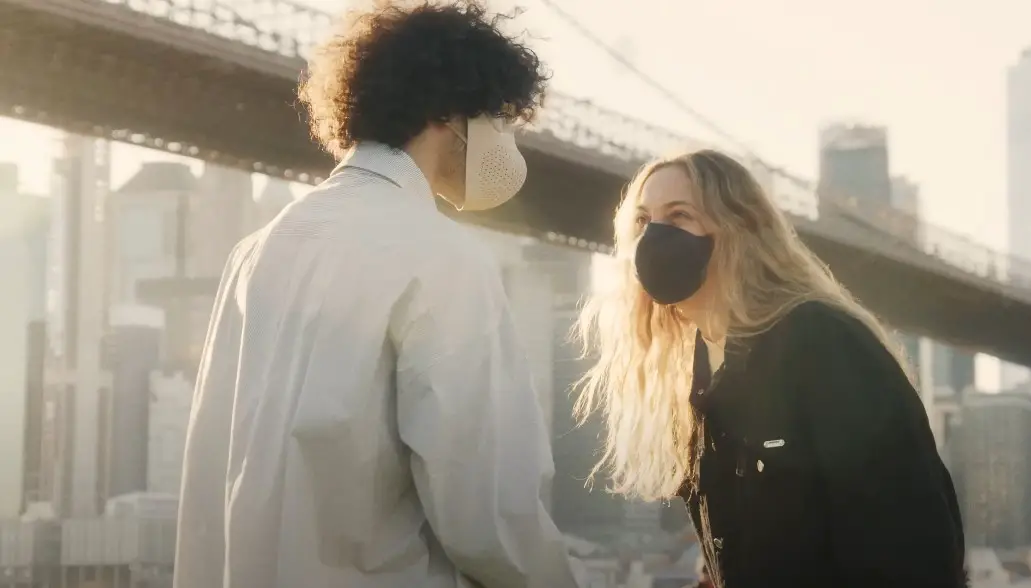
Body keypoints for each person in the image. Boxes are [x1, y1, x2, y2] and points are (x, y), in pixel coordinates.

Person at [174, 2, 583, 587]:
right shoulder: (443, 256)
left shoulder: (256, 252)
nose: (506, 139)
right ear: (449, 109)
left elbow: (209, 474)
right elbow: (486, 508)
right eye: (502, 117)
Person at [575, 149, 966, 588]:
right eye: (644, 221)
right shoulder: (700, 368)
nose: (656, 237)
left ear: (739, 231)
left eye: (680, 215)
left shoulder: (824, 342)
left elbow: (915, 547)